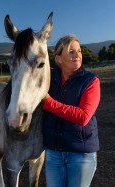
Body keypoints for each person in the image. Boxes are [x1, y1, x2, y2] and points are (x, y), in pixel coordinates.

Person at [42, 35, 101, 187]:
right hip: (53, 153)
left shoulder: (91, 81)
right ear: (59, 59)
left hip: (81, 155)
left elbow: (83, 117)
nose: (77, 55)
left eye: (79, 51)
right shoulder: (48, 77)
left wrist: (49, 103)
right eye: (71, 52)